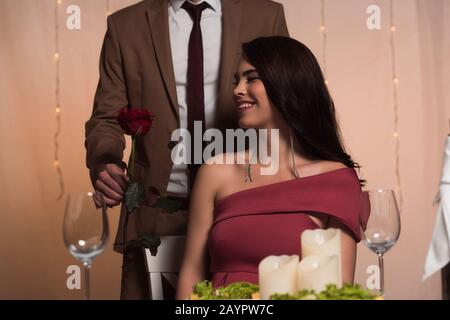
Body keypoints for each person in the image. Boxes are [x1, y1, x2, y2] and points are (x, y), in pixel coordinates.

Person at [85, 0, 289, 299]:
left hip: (243, 211)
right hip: (156, 213)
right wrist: (105, 162)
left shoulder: (266, 15)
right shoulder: (125, 25)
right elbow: (106, 117)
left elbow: (289, 100)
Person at [176, 36, 364, 299]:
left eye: (251, 78)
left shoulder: (337, 179)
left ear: (287, 82)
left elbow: (339, 289)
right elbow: (191, 273)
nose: (238, 90)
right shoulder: (216, 171)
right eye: (236, 80)